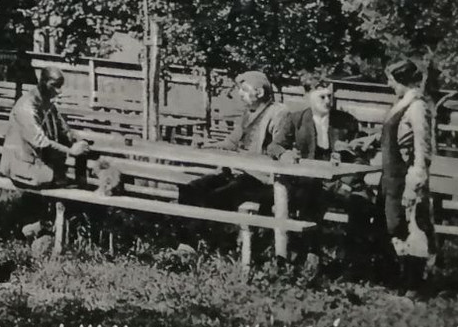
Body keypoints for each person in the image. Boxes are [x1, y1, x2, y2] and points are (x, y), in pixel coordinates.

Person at [268, 80, 381, 271]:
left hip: (341, 181)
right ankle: (308, 254)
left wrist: (347, 183)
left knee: (361, 204)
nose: (328, 100)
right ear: (309, 98)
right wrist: (284, 153)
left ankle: (351, 261)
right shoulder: (295, 120)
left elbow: (361, 159)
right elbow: (274, 145)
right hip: (308, 182)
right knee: (306, 203)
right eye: (322, 96)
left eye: (330, 96)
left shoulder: (346, 122)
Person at [176, 70, 284, 212]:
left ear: (260, 93)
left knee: (215, 198)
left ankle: (218, 232)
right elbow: (232, 143)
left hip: (258, 179)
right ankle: (189, 231)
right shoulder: (248, 113)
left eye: (244, 90)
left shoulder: (278, 113)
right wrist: (207, 145)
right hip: (235, 172)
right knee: (189, 189)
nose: (240, 93)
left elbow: (278, 149)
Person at [380, 58, 437, 285]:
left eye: (392, 80)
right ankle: (404, 281)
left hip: (408, 177)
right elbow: (397, 137)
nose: (389, 85)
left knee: (415, 229)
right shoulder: (402, 103)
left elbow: (422, 149)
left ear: (403, 81)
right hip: (393, 177)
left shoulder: (417, 107)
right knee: (398, 227)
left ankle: (416, 286)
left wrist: (416, 183)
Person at [0, 68, 90, 189]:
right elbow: (40, 142)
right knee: (68, 186)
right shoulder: (26, 106)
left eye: (60, 86)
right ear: (42, 83)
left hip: (42, 167)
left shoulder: (47, 103)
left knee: (78, 180)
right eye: (54, 86)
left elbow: (63, 128)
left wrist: (77, 140)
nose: (59, 91)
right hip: (23, 170)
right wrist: (71, 151)